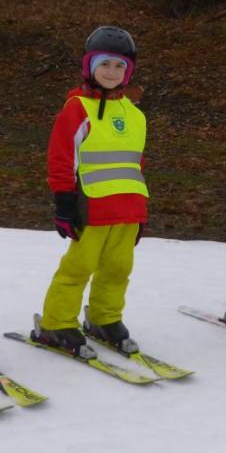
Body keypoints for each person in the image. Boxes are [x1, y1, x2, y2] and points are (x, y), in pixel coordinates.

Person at [32, 26, 147, 358]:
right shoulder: (77, 108)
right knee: (78, 268)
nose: (111, 73)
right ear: (90, 67)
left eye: (119, 66)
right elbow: (61, 157)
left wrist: (141, 212)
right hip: (91, 207)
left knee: (118, 268)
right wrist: (64, 202)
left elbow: (136, 164)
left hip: (128, 209)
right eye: (104, 65)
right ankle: (56, 322)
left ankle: (104, 318)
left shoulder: (135, 114)